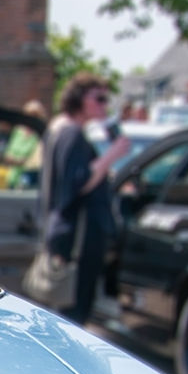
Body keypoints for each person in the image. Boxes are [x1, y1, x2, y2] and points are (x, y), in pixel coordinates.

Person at [39, 72, 131, 326]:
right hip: (78, 237)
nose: (104, 105)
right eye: (99, 98)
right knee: (74, 311)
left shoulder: (61, 131)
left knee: (68, 309)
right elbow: (78, 184)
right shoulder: (72, 134)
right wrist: (111, 156)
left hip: (71, 234)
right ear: (80, 99)